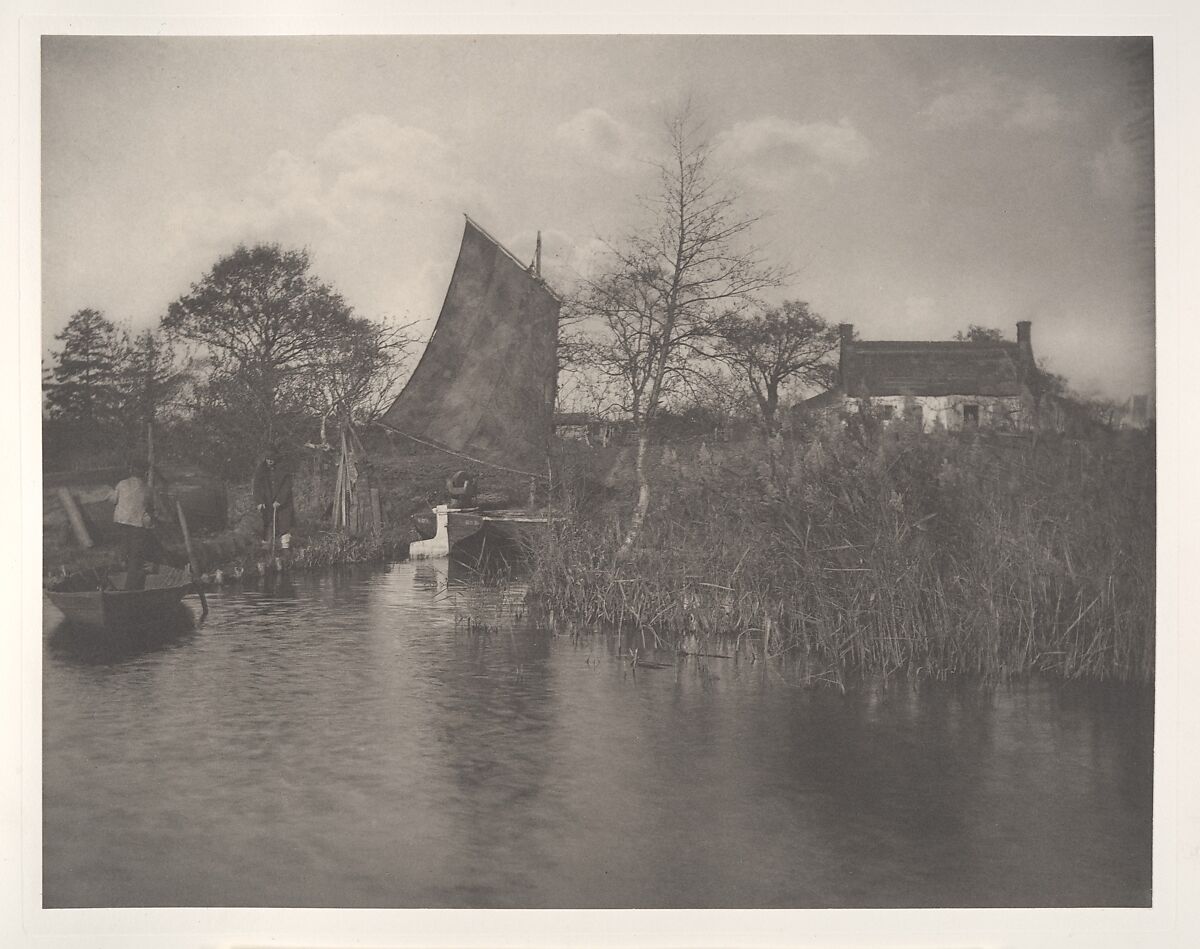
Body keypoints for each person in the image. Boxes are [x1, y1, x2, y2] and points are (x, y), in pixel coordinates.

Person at [108, 459, 154, 591]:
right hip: (137, 523)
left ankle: (118, 569)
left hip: (121, 521)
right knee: (135, 555)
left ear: (131, 470)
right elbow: (150, 506)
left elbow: (113, 500)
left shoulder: (122, 484)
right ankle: (131, 587)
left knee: (123, 546)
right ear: (144, 473)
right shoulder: (147, 488)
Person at [252, 443, 295, 548]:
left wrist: (280, 500)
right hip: (267, 502)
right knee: (266, 523)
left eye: (272, 459)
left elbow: (287, 487)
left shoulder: (284, 468)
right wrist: (259, 501)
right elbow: (257, 487)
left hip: (283, 503)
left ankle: (286, 549)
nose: (270, 461)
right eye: (267, 459)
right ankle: (266, 549)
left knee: (284, 524)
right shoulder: (260, 470)